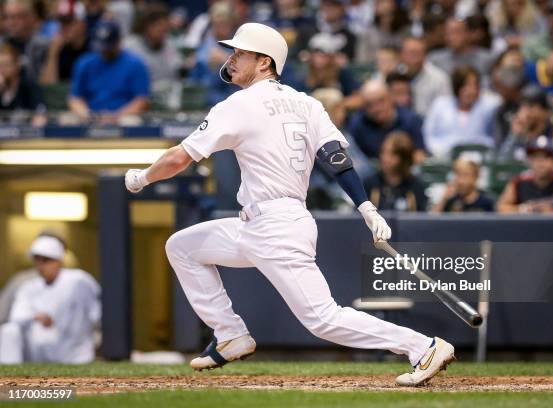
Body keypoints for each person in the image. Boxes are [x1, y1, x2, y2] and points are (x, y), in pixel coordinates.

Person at [124, 22, 455, 387]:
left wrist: (141, 178)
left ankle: (422, 346)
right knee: (182, 246)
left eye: (240, 53)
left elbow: (178, 158)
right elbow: (336, 159)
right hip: (259, 223)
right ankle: (230, 334)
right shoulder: (307, 102)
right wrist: (366, 207)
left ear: (265, 62)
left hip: (276, 226)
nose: (231, 59)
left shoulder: (239, 104)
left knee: (323, 319)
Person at [0, 234, 101, 364]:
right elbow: (16, 316)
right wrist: (35, 316)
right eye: (38, 260)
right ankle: (8, 378)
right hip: (39, 354)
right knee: (9, 330)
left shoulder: (79, 281)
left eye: (46, 260)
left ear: (59, 261)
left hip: (74, 354)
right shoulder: (28, 286)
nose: (41, 266)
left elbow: (98, 313)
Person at [69, 19, 150, 124]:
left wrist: (116, 117)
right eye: (102, 46)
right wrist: (87, 115)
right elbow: (75, 98)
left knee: (131, 122)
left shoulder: (135, 64)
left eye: (108, 47)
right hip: (91, 116)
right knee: (67, 121)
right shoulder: (85, 63)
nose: (104, 50)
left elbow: (142, 100)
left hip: (122, 116)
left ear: (118, 42)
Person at [424, 66, 501, 159]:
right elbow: (429, 135)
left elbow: (494, 138)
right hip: (444, 157)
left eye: (475, 86)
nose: (472, 91)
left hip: (479, 158)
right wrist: (440, 152)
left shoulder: (489, 106)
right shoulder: (440, 105)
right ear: (457, 86)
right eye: (467, 85)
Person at [346, 79, 425, 161]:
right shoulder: (357, 125)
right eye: (369, 105)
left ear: (391, 98)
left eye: (381, 101)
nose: (377, 109)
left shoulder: (411, 120)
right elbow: (352, 159)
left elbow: (420, 155)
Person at [364, 131, 427, 211]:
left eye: (392, 154)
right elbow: (356, 218)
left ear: (404, 158)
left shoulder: (416, 186)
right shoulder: (369, 184)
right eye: (383, 152)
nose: (385, 158)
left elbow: (423, 220)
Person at [498, 136, 553, 213]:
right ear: (529, 161)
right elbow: (501, 207)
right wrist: (522, 209)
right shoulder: (519, 182)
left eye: (546, 157)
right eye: (535, 157)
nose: (540, 162)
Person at [123, 2, 182, 87]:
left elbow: (178, 68)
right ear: (147, 26)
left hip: (168, 95)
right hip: (140, 94)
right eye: (159, 26)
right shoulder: (130, 46)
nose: (163, 30)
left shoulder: (169, 43)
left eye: (166, 28)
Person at [39, 0, 89, 85]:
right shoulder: (59, 49)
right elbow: (47, 87)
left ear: (82, 24)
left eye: (68, 22)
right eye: (61, 22)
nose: (63, 28)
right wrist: (53, 55)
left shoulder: (93, 48)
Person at [399, 36, 451, 117]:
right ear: (402, 55)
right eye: (410, 53)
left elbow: (446, 111)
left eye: (417, 54)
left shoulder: (440, 79)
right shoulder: (396, 74)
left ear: (425, 55)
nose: (414, 59)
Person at [427, 18, 494, 79]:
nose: (451, 37)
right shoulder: (435, 59)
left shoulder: (486, 59)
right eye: (447, 33)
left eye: (456, 32)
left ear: (467, 33)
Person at [499, 86, 553, 160]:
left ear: (545, 111)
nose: (525, 112)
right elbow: (502, 161)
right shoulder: (521, 135)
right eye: (523, 106)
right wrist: (514, 134)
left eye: (530, 106)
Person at [0, 0, 49, 80]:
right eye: (6, 17)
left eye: (16, 17)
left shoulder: (44, 46)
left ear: (30, 18)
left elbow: (48, 84)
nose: (11, 22)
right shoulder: (1, 45)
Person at [0, 43, 46, 126]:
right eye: (0, 65)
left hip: (25, 135)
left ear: (17, 66)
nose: (2, 69)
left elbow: (40, 114)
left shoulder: (29, 86)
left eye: (6, 65)